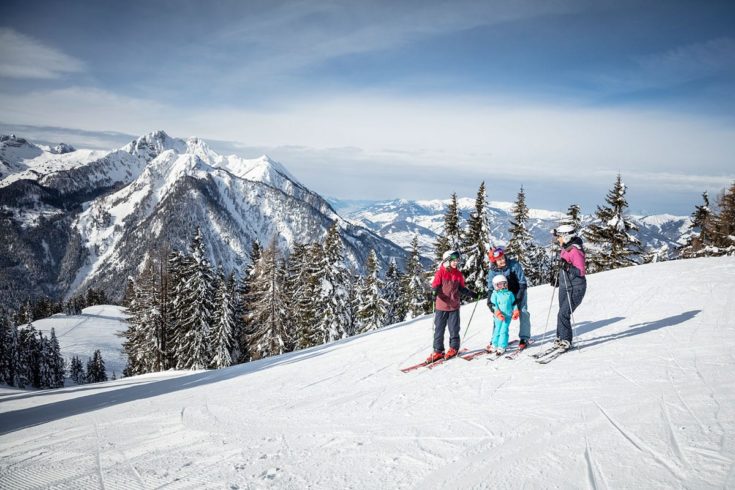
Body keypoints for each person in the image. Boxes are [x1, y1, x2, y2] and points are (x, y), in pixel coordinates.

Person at [427, 250, 475, 362]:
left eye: (457, 260)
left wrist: (472, 294)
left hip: (454, 306)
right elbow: (436, 286)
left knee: (454, 329)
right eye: (453, 260)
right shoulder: (441, 272)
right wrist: (434, 292)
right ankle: (438, 351)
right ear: (446, 261)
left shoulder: (458, 274)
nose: (455, 262)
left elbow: (461, 288)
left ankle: (453, 348)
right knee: (439, 330)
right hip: (441, 306)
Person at [486, 246, 531, 350]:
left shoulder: (514, 265)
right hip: (503, 296)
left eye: (503, 258)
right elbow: (490, 288)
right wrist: (490, 301)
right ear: (494, 262)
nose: (502, 261)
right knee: (498, 315)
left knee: (523, 312)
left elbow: (523, 283)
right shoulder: (492, 271)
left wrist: (518, 298)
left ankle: (524, 338)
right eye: (499, 260)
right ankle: (495, 339)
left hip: (518, 291)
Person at [553, 224, 587, 350]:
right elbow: (564, 264)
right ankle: (560, 337)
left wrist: (567, 267)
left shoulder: (575, 251)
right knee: (560, 313)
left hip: (576, 288)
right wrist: (557, 277)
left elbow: (581, 272)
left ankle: (566, 340)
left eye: (559, 236)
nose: (558, 239)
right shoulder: (565, 248)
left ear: (566, 237)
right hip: (564, 285)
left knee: (563, 313)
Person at [487, 274, 520, 355]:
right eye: (499, 284)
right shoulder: (495, 294)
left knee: (503, 331)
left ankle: (502, 346)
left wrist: (515, 311)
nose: (502, 286)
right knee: (497, 330)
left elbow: (514, 304)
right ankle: (494, 345)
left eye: (503, 284)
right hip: (498, 316)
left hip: (507, 316)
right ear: (495, 285)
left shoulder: (510, 294)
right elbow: (494, 305)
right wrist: (498, 313)